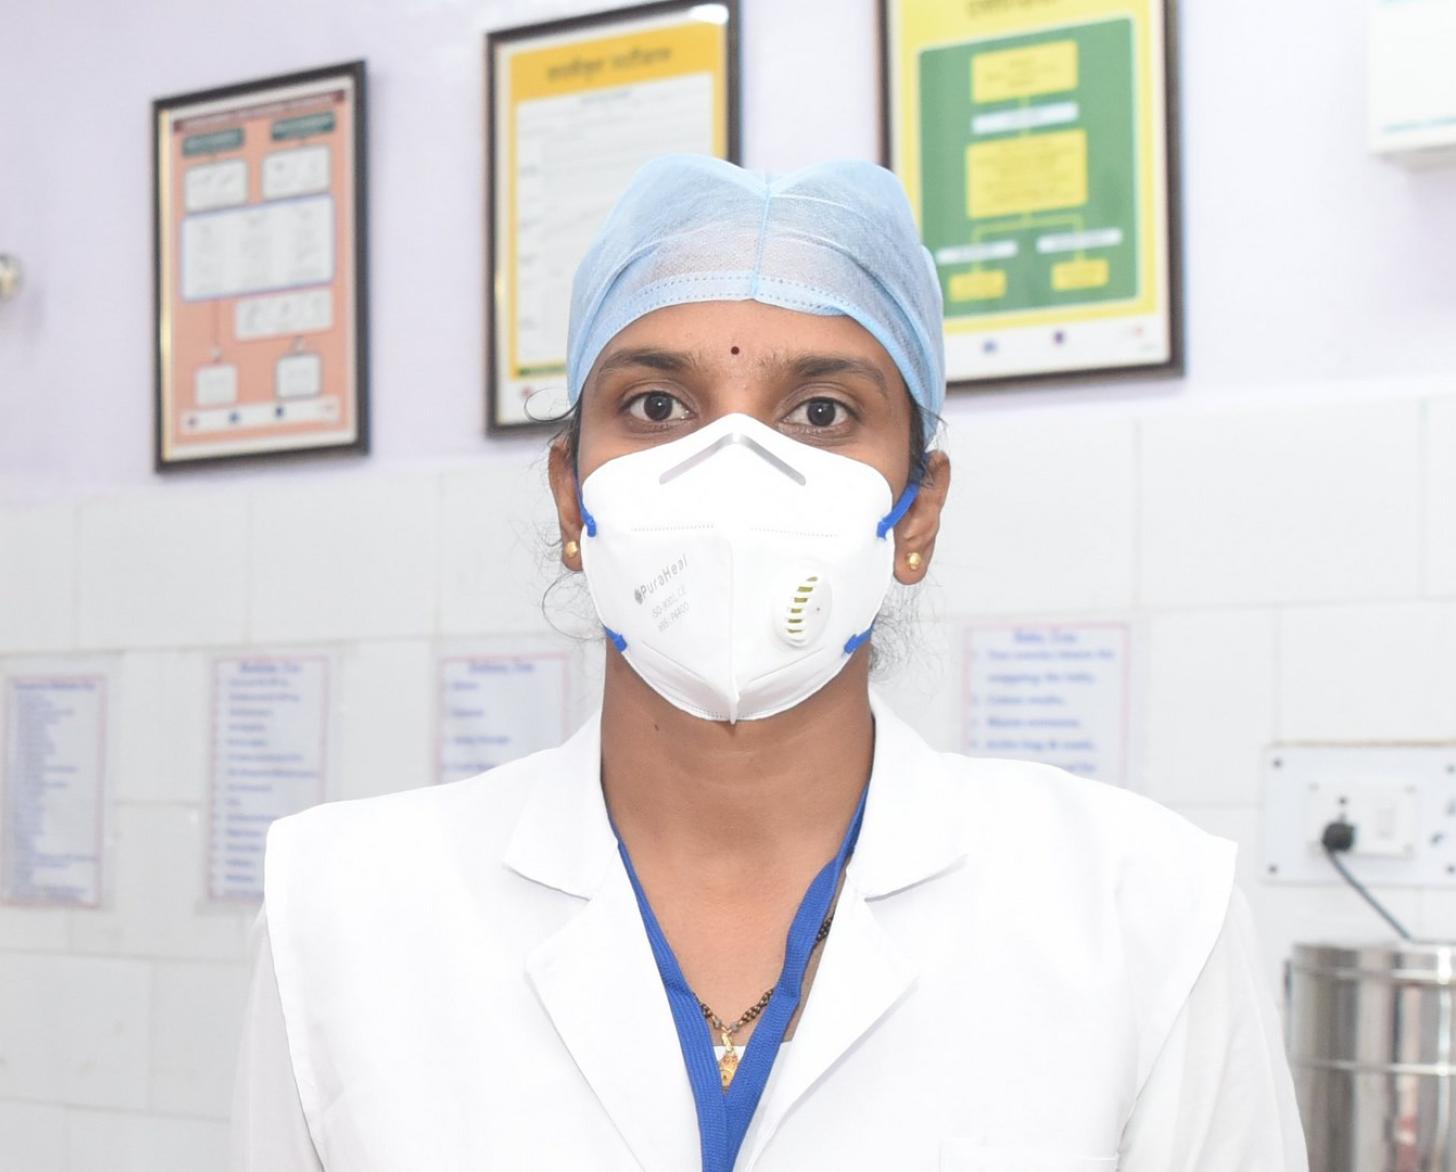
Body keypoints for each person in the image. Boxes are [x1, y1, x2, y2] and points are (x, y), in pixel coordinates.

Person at [229, 154, 1309, 1171]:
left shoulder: (1146, 915)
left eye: (821, 411)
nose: (734, 468)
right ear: (571, 497)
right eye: (658, 406)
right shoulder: (341, 907)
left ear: (915, 511)